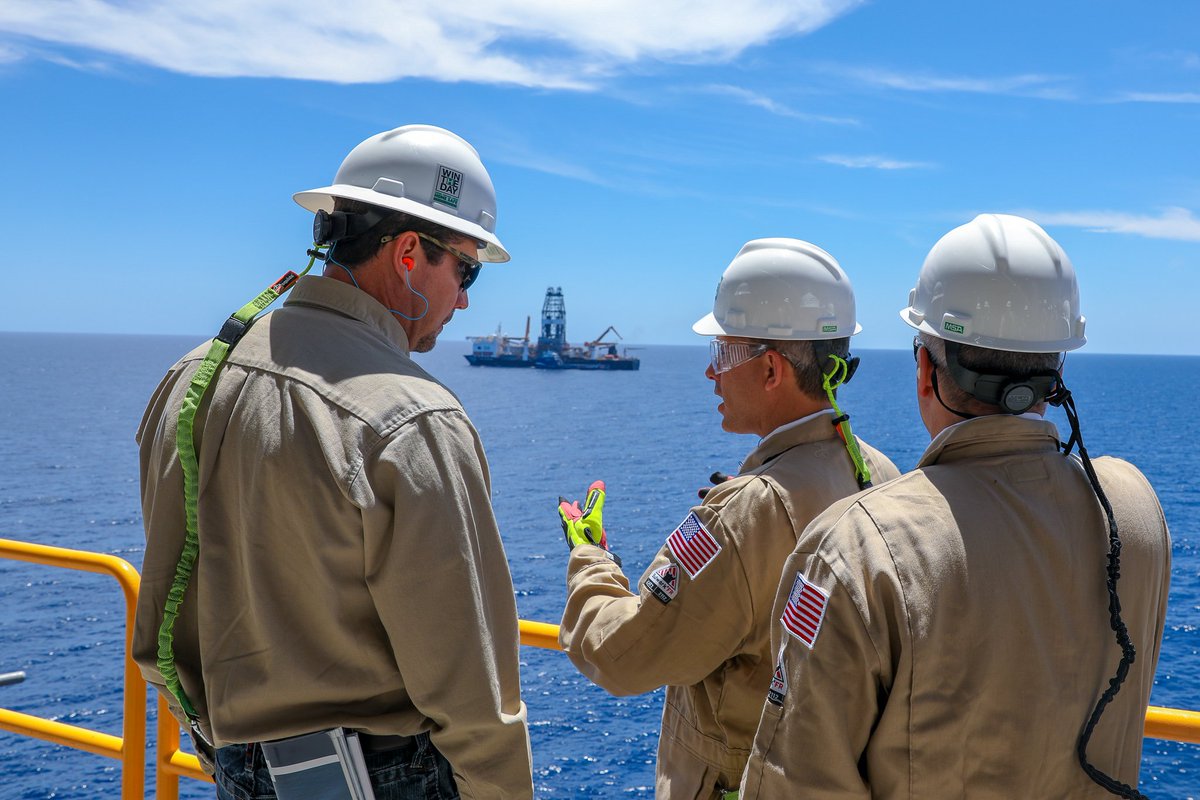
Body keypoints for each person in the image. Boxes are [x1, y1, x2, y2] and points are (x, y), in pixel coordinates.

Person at [133, 124, 534, 799]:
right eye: (465, 270)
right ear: (408, 253)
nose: (466, 298)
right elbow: (470, 689)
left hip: (236, 767)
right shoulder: (415, 418)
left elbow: (167, 612)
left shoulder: (191, 377)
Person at [740, 214, 1171, 799]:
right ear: (1056, 372)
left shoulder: (857, 547)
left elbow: (794, 784)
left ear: (925, 370)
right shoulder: (1135, 508)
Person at [557, 239, 900, 799]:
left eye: (721, 353)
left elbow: (624, 655)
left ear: (771, 368)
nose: (710, 373)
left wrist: (590, 559)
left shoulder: (745, 515)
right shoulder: (879, 474)